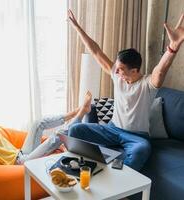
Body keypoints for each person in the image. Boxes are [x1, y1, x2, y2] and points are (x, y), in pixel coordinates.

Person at [67, 10, 184, 171]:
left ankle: (118, 182)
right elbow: (96, 51)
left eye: (121, 69)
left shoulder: (147, 84)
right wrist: (77, 27)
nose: (116, 71)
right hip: (111, 129)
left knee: (142, 149)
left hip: (136, 137)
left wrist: (173, 47)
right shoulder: (118, 77)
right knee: (75, 129)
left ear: (135, 70)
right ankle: (84, 167)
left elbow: (161, 70)